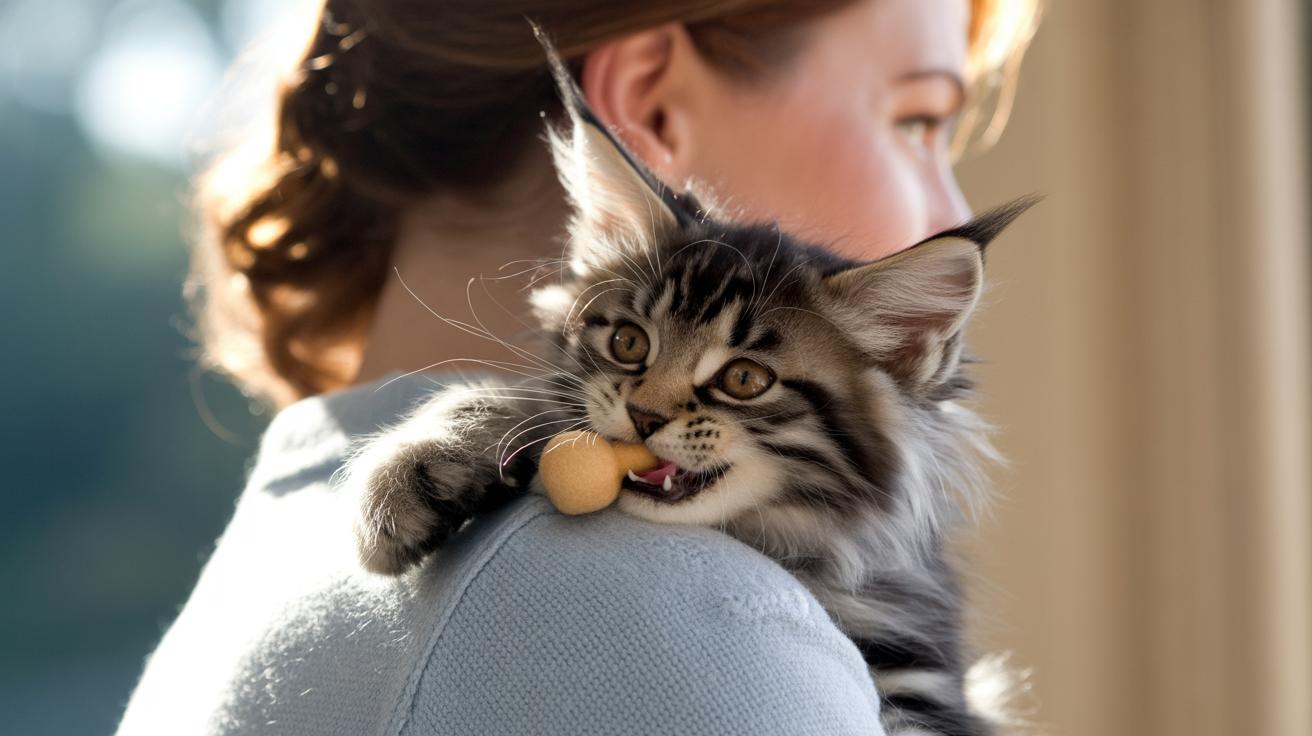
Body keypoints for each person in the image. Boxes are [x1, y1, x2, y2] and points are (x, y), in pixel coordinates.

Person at [118, 0, 1038, 733]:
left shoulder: (270, 540)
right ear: (651, 104)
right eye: (917, 119)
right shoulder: (692, 629)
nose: (944, 204)